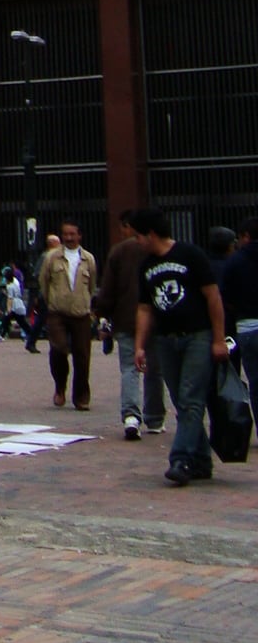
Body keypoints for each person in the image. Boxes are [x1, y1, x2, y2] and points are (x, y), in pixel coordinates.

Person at [130, 206, 228, 487]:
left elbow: (213, 297)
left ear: (150, 234)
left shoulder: (190, 255)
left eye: (138, 235)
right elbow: (145, 308)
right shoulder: (147, 266)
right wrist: (139, 345)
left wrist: (218, 338)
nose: (137, 241)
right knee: (179, 399)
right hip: (165, 338)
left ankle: (181, 459)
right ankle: (201, 460)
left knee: (191, 398)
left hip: (197, 335)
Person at [92, 211, 166, 441]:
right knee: (155, 369)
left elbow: (108, 290)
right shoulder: (158, 249)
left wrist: (103, 315)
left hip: (125, 319)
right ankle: (154, 417)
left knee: (129, 368)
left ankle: (131, 416)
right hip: (156, 318)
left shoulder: (119, 252)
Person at [36, 220, 98, 411]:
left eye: (73, 234)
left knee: (82, 355)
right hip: (57, 312)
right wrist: (52, 302)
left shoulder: (88, 259)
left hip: (81, 313)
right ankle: (60, 387)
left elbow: (92, 285)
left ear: (79, 236)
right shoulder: (52, 258)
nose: (69, 238)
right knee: (59, 349)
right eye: (66, 234)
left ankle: (81, 397)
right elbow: (43, 283)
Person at [220, 217, 258, 416]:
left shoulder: (235, 261)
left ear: (246, 236)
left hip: (247, 327)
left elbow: (226, 297)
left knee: (255, 382)